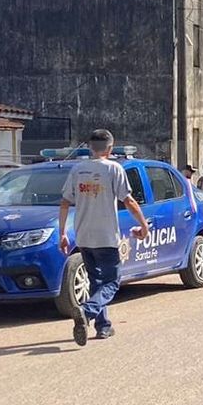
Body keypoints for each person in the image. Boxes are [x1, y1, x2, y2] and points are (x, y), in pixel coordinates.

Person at [59, 129, 150, 346]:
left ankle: (103, 326)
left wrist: (63, 233)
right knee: (111, 282)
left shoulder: (78, 169)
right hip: (106, 236)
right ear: (110, 148)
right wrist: (143, 225)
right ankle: (87, 311)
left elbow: (64, 202)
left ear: (90, 147)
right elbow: (128, 200)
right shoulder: (114, 169)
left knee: (96, 282)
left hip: (83, 236)